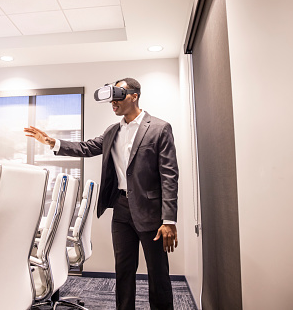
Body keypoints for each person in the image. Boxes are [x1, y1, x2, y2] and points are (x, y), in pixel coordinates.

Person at [24, 78, 179, 310]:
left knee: (158, 273)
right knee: (124, 270)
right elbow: (86, 147)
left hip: (151, 213)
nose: (113, 102)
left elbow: (169, 175)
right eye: (110, 97)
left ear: (134, 96)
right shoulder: (112, 131)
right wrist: (52, 142)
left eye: (118, 95)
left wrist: (169, 220)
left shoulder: (159, 128)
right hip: (121, 209)